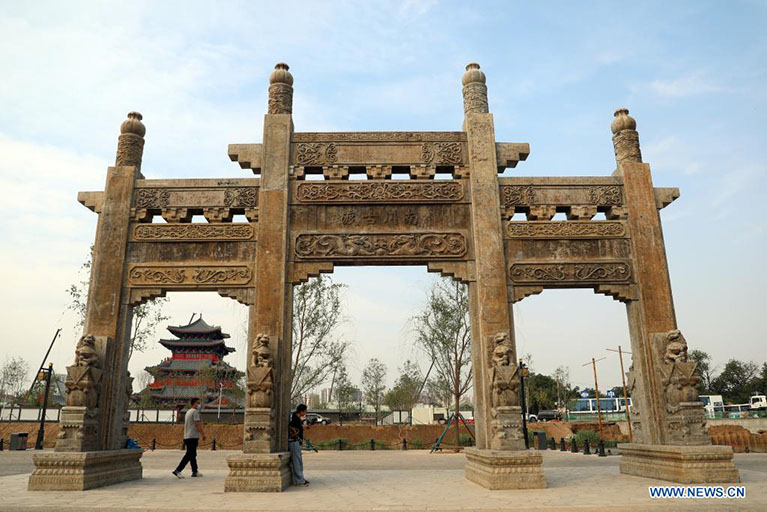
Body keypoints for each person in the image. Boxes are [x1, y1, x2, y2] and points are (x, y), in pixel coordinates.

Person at [173, 397, 206, 478]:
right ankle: (178, 470)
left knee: (192, 454)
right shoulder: (195, 412)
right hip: (193, 436)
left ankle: (195, 471)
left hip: (187, 436)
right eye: (198, 403)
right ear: (194, 404)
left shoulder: (188, 412)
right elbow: (197, 424)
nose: (199, 405)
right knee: (189, 454)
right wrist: (203, 434)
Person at [289, 404, 310, 486]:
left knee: (299, 461)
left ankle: (300, 478)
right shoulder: (294, 419)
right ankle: (299, 480)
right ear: (301, 411)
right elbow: (290, 427)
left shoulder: (297, 418)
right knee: (297, 461)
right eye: (305, 411)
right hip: (294, 441)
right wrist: (294, 433)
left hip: (296, 442)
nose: (305, 413)